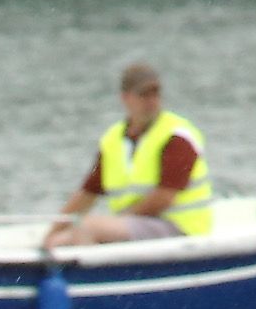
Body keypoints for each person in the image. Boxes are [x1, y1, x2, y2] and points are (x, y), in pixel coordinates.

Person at [46, 61, 214, 246]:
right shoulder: (113, 139)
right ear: (125, 98)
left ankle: (97, 264)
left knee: (88, 227)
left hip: (180, 228)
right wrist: (51, 234)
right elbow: (87, 194)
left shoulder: (177, 136)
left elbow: (164, 198)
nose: (151, 101)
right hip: (139, 226)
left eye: (155, 94)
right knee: (61, 239)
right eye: (143, 95)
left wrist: (118, 221)